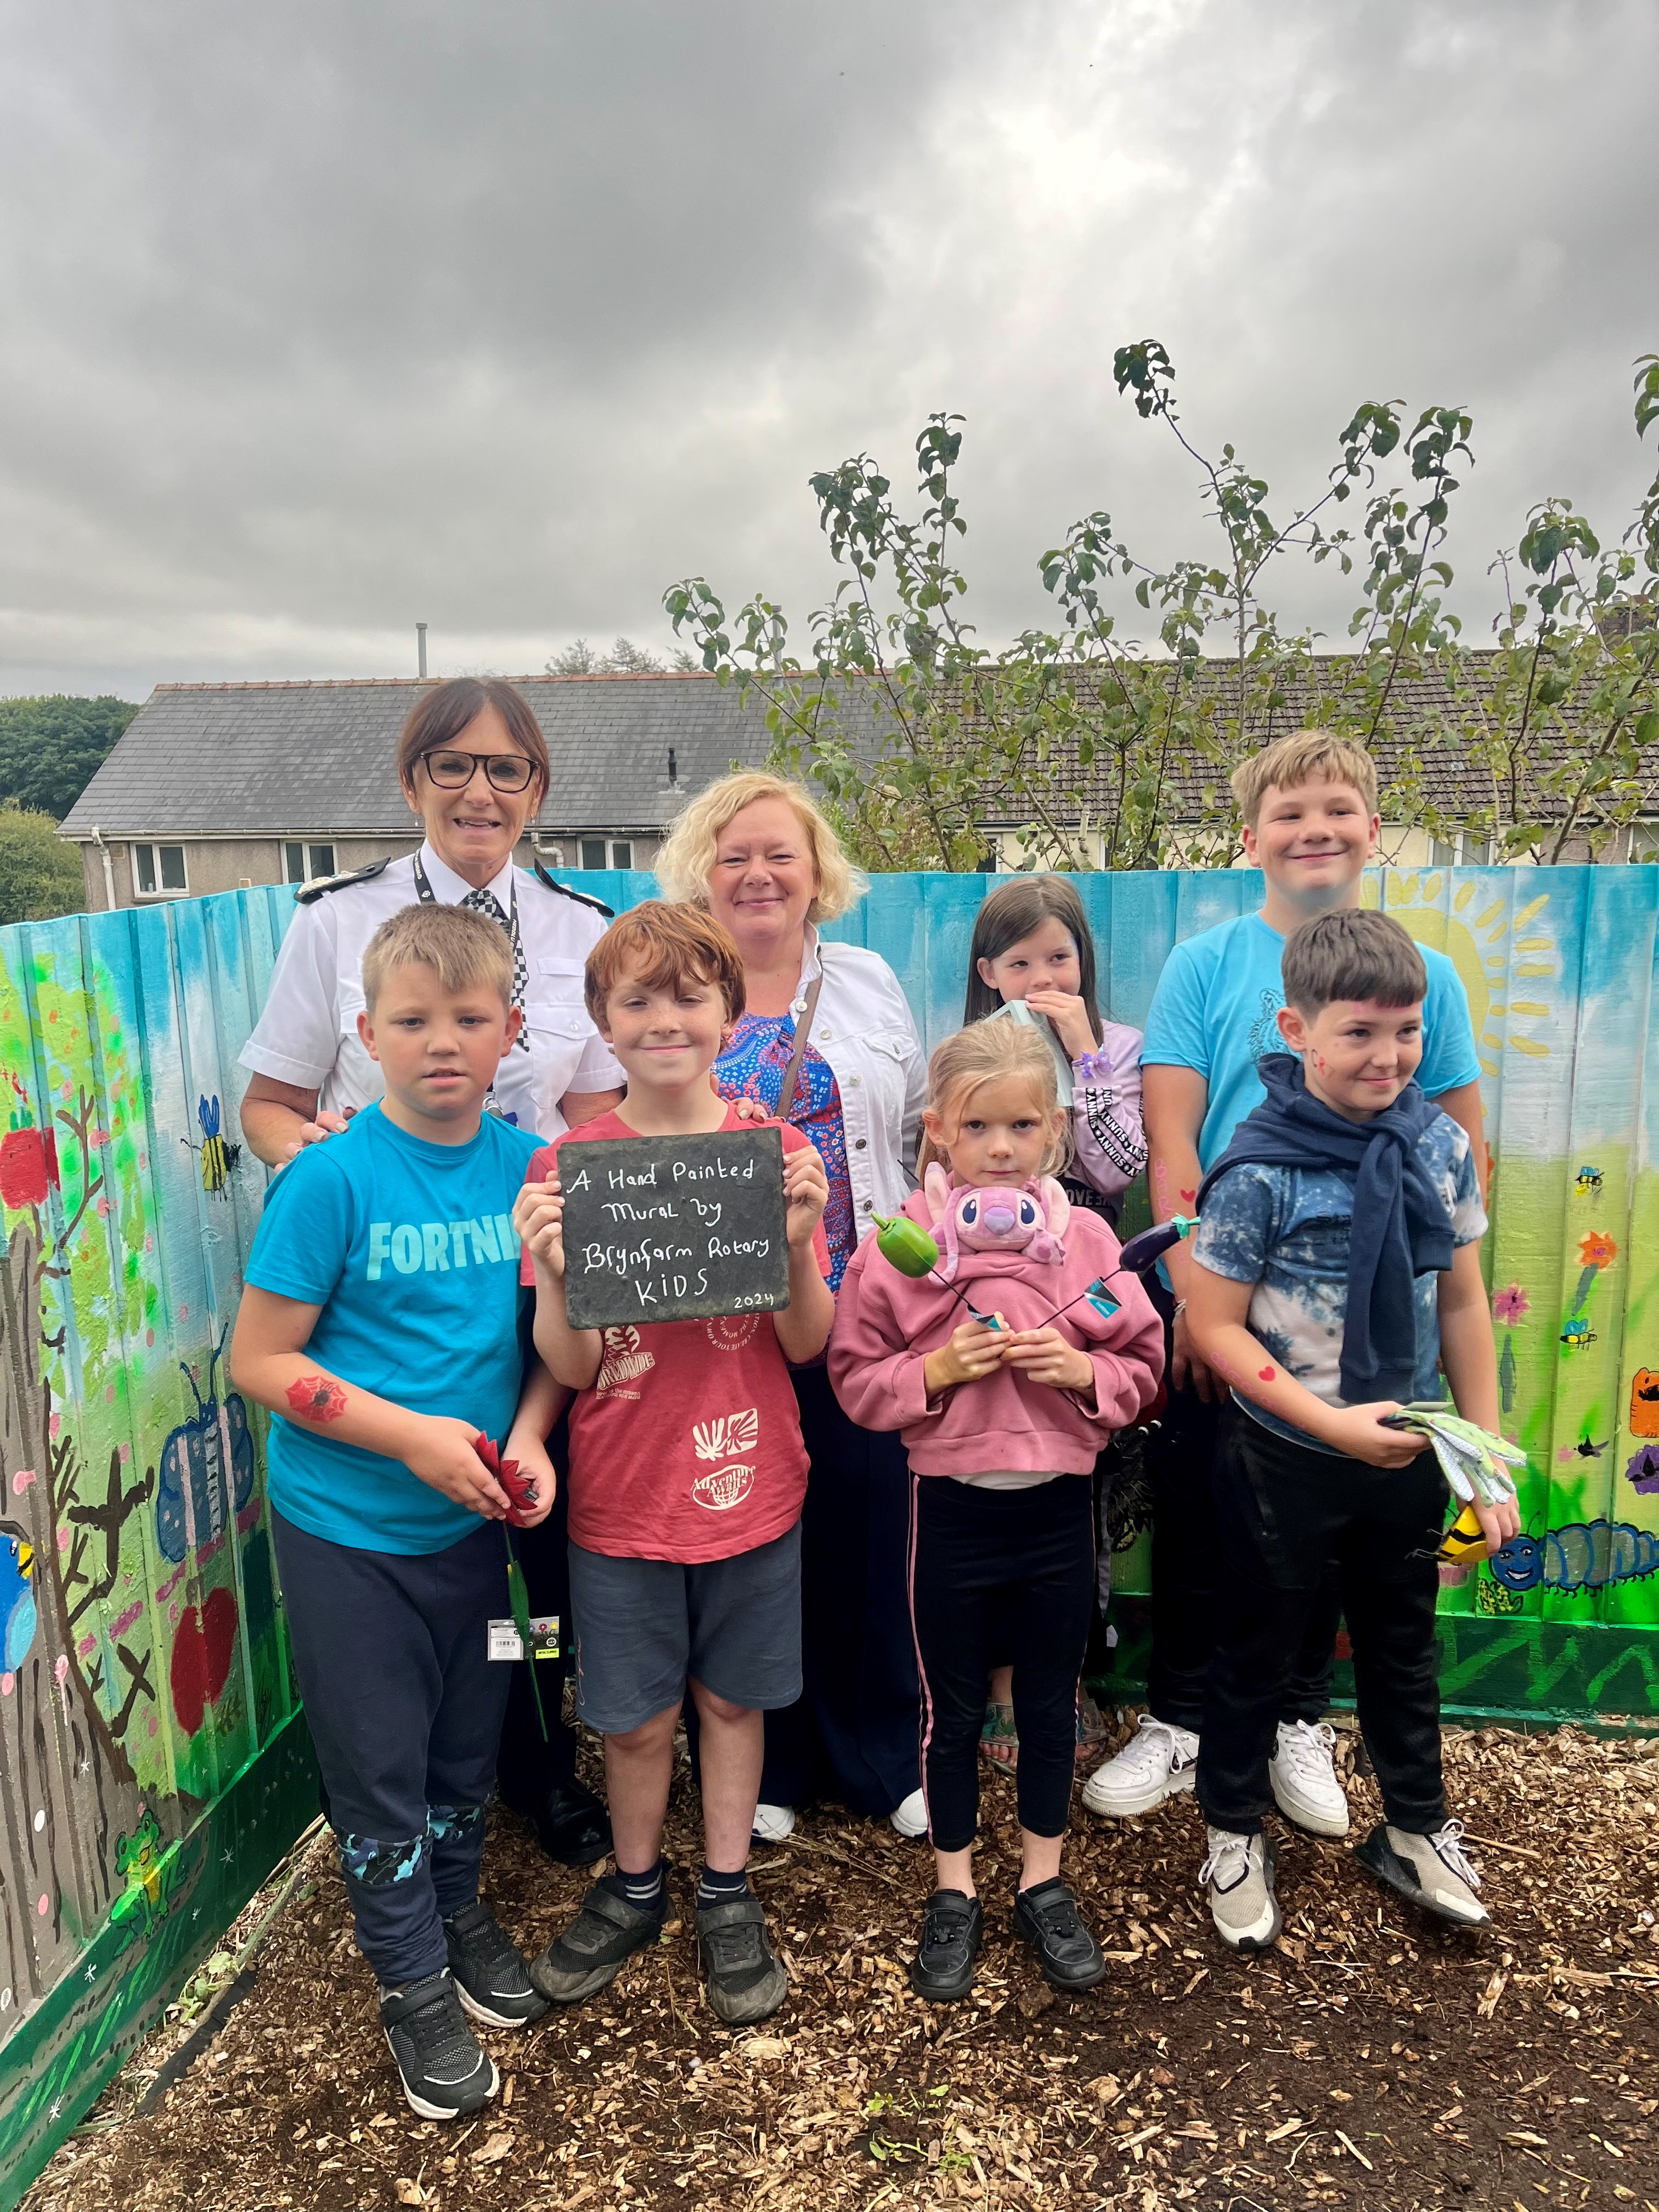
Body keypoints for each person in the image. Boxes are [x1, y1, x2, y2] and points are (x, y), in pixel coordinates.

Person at [239, 675, 623, 1869]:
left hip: (533, 1260)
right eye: (451, 765)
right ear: (412, 782)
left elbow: (598, 1108)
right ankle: (438, 1785)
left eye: (506, 769)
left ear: (537, 792)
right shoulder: (335, 923)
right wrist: (340, 1182)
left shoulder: (580, 926)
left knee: (530, 1537)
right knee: (433, 1533)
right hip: (396, 1277)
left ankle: (537, 1759)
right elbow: (272, 1107)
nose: (479, 790)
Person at [1085, 730, 1486, 1836]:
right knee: (1214, 1509)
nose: (1318, 829)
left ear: (1371, 827)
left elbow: (1456, 1137)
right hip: (1228, 1287)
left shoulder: (1428, 974)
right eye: (1293, 812)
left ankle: (1296, 1718)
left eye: (1341, 808)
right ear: (1252, 836)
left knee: (1334, 1512)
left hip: (1368, 1307)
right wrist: (1180, 1295)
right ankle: (1182, 1717)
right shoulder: (1206, 966)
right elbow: (1171, 1142)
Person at [229, 904, 561, 2121]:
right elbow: (260, 1363)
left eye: (470, 1019)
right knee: (377, 1762)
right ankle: (411, 1980)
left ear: (510, 1032)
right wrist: (413, 1438)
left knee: (469, 1737)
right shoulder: (329, 1181)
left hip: (476, 1539)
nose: (442, 1043)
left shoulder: (532, 1169)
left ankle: (458, 1901)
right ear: (365, 1034)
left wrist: (527, 1436)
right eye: (412, 1021)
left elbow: (551, 1341)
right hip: (348, 1539)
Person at [512, 902, 833, 2024]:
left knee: (733, 1703)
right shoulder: (572, 1167)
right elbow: (575, 1364)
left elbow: (808, 1345)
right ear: (602, 1020)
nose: (663, 1020)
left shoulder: (777, 1154)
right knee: (637, 1717)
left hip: (756, 1487)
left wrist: (798, 1245)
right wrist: (554, 1272)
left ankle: (729, 1887)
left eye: (688, 996)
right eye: (636, 999)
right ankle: (636, 1881)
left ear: (728, 1012)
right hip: (623, 1495)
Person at [1182, 910, 1515, 1947]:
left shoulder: (1441, 1146)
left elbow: (1460, 1304)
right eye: (1361, 1032)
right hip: (1284, 1454)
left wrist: (1485, 1459)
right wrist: (1326, 1421)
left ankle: (1416, 1827)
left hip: (1407, 1448)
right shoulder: (1260, 1169)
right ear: (1297, 1027)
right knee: (1257, 1647)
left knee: (1401, 1646)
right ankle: (1233, 1832)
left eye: (1407, 1031)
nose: (1389, 1056)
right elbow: (1215, 1328)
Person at [829, 1022, 1164, 2002]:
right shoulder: (903, 1249)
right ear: (939, 1132)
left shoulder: (1089, 1242)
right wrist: (931, 1372)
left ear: (1056, 1129)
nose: (1004, 1147)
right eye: (980, 1126)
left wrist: (1084, 1372)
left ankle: (1043, 1881)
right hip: (951, 1514)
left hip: (1058, 1512)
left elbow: (1143, 1368)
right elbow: (857, 1379)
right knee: (955, 1711)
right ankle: (955, 1886)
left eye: (1023, 1124)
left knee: (1051, 1707)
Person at [655, 771, 928, 1842]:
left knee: (871, 1524)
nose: (759, 874)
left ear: (818, 875)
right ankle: (770, 1764)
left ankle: (882, 1754)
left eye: (781, 854)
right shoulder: (678, 984)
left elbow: (904, 1139)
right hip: (720, 1325)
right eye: (735, 856)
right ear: (702, 874)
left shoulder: (863, 981)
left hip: (859, 1304)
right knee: (751, 1539)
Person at [962, 873, 1148, 1771]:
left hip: (1081, 1301)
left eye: (1060, 957)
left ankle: (1061, 1677)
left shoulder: (1117, 1050)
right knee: (987, 1493)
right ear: (989, 970)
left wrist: (1088, 1058)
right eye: (1022, 960)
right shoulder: (965, 1055)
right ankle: (998, 1683)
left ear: (1085, 961)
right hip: (980, 1305)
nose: (1044, 975)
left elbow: (1117, 1172)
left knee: (1077, 1494)